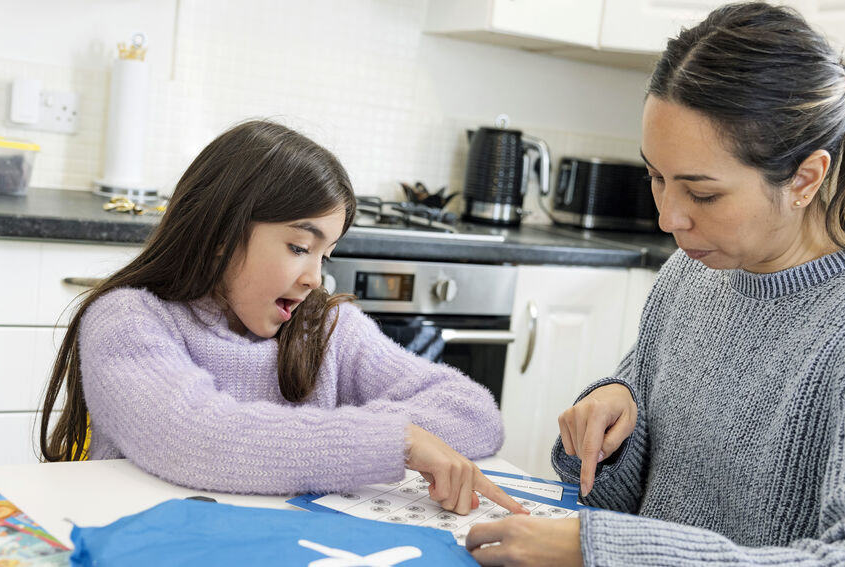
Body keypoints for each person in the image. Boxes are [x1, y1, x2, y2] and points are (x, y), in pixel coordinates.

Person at [466, 2, 845, 565]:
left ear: (805, 178)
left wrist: (613, 554)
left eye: (702, 194)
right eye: (656, 177)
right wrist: (615, 409)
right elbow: (624, 503)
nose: (668, 218)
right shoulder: (692, 272)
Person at [38, 120, 526, 516]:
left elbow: (474, 413)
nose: (315, 277)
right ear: (221, 232)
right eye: (299, 247)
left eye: (326, 255)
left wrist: (385, 436)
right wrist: (394, 439)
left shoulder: (327, 330)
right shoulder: (129, 319)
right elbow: (195, 437)